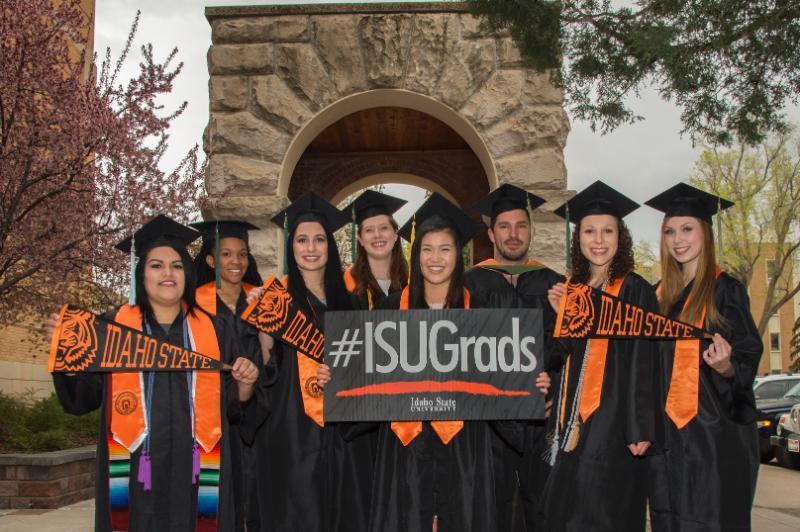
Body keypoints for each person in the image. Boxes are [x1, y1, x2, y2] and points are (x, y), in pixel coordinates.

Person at [318, 192, 549, 532]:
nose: (436, 258)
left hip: (465, 447)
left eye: (445, 249)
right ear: (416, 255)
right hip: (404, 447)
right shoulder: (388, 312)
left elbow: (502, 383)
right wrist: (336, 380)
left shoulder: (482, 313)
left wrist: (530, 386)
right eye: (427, 249)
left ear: (459, 255)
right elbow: (364, 386)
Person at [48, 215, 259, 532]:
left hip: (198, 472)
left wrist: (246, 385)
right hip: (135, 473)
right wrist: (67, 353)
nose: (168, 274)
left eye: (176, 265)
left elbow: (233, 409)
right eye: (156, 265)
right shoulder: (113, 328)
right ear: (141, 273)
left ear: (187, 273)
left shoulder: (216, 330)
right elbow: (82, 398)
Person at [243, 192, 374, 532]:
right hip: (291, 433)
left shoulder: (352, 304)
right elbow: (266, 373)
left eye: (319, 239)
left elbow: (366, 372)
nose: (311, 248)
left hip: (344, 436)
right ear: (292, 247)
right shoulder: (276, 300)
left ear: (330, 246)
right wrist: (265, 334)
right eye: (302, 240)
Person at [644, 183, 762, 531]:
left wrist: (728, 367)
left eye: (687, 229)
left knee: (712, 520)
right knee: (668, 519)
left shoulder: (726, 290)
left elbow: (747, 353)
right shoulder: (657, 297)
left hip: (714, 436)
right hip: (666, 436)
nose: (677, 239)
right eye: (669, 231)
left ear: (705, 234)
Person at [543, 181, 659, 532]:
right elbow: (557, 358)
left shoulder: (635, 289)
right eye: (589, 231)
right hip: (570, 424)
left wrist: (640, 425)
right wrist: (561, 317)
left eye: (607, 231)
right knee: (566, 512)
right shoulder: (570, 291)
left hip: (615, 421)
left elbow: (644, 360)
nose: (598, 240)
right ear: (577, 238)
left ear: (620, 237)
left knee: (606, 513)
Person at [466, 184, 564, 531]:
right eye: (504, 226)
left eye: (521, 226)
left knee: (543, 508)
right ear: (491, 234)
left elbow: (570, 352)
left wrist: (555, 390)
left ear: (531, 231)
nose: (513, 234)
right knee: (491, 508)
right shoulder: (469, 285)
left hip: (541, 421)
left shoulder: (555, 285)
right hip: (486, 424)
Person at [190, 220, 263, 532]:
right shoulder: (193, 304)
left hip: (258, 413)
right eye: (227, 254)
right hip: (212, 415)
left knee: (258, 494)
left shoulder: (260, 301)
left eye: (242, 254)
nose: (237, 261)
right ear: (210, 260)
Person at [342, 189, 409, 309]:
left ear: (395, 234)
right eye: (369, 230)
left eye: (384, 228)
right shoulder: (346, 282)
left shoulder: (412, 280)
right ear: (361, 239)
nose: (377, 235)